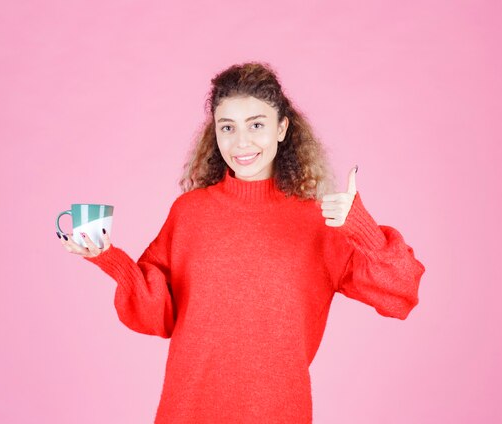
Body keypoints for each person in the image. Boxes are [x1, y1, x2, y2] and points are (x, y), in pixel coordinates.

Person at [57, 61, 426, 423]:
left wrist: (359, 226)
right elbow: (159, 315)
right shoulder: (190, 213)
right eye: (228, 127)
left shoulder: (319, 221)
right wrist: (111, 259)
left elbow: (401, 292)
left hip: (278, 414)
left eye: (257, 125)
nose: (241, 142)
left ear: (282, 128)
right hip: (189, 410)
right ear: (214, 133)